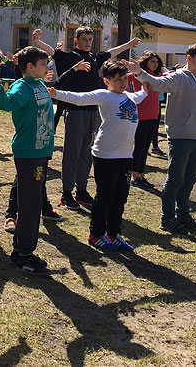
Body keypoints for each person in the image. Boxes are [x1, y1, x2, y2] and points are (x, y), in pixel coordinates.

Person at [33, 27, 140, 211]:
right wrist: (37, 42)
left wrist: (129, 45)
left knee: (87, 153)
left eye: (90, 39)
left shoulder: (95, 58)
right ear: (76, 40)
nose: (87, 42)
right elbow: (52, 52)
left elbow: (111, 52)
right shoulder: (69, 57)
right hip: (75, 111)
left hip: (94, 112)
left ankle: (81, 190)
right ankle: (66, 192)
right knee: (72, 153)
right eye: (84, 39)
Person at [50, 60, 148, 251]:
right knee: (105, 197)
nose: (122, 83)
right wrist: (56, 93)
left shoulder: (129, 96)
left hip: (126, 156)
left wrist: (145, 87)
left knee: (120, 197)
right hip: (106, 155)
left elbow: (141, 95)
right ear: (106, 81)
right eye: (117, 80)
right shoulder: (104, 95)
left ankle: (114, 234)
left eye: (124, 79)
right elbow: (79, 98)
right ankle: (96, 235)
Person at [0, 46, 55, 277]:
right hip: (28, 152)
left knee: (33, 203)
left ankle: (26, 250)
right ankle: (21, 254)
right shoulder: (22, 86)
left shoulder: (38, 84)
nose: (46, 68)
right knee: (30, 206)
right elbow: (6, 103)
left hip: (41, 150)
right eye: (42, 65)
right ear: (30, 67)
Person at [124, 44, 196, 234]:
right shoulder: (178, 77)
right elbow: (157, 83)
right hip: (180, 137)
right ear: (188, 58)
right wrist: (139, 73)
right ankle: (167, 218)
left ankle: (183, 216)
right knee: (176, 179)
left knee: (190, 179)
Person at [127, 51, 164, 189]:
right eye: (152, 62)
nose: (155, 64)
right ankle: (134, 175)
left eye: (156, 62)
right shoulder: (137, 75)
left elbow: (169, 77)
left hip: (153, 116)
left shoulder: (158, 76)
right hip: (141, 116)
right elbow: (123, 79)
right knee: (139, 147)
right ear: (145, 62)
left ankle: (140, 175)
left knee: (145, 147)